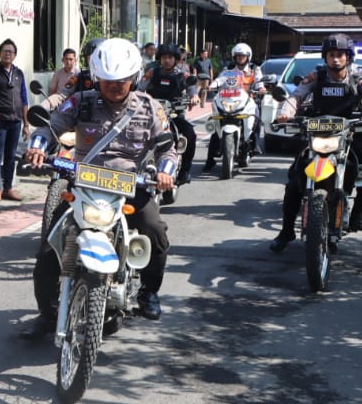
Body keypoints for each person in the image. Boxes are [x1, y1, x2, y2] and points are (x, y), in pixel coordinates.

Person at [20, 39, 176, 339]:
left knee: (155, 230)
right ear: (96, 77)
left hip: (131, 187)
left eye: (122, 80)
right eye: (108, 80)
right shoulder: (80, 102)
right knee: (49, 249)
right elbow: (51, 126)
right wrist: (38, 147)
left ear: (134, 78)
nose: (115, 86)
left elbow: (167, 148)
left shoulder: (150, 107)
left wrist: (166, 173)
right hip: (84, 185)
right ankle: (47, 312)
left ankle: (149, 292)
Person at [268, 33, 362, 251]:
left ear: (348, 57)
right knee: (294, 181)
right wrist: (285, 113)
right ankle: (286, 231)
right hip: (317, 134)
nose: (336, 59)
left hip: (348, 134)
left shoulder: (358, 78)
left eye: (340, 54)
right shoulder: (316, 77)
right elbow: (297, 96)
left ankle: (357, 214)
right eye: (331, 55)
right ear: (326, 57)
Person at [139, 43, 196, 185]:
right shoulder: (152, 72)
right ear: (159, 58)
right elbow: (140, 88)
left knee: (190, 134)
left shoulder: (182, 75)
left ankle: (184, 172)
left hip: (174, 114)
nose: (167, 60)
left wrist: (194, 96)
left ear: (175, 59)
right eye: (164, 57)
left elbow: (191, 88)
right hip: (152, 114)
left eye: (170, 57)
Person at [204, 42, 264, 169]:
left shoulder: (254, 69)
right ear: (234, 57)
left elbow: (259, 82)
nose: (240, 58)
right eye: (238, 56)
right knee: (217, 126)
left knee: (257, 119)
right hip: (229, 100)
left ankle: (256, 145)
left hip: (248, 100)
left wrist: (261, 88)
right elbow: (219, 80)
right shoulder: (228, 70)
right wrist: (212, 86)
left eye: (243, 56)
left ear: (248, 57)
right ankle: (210, 160)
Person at [0, 38, 29, 201]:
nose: (8, 54)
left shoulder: (19, 73)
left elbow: (24, 99)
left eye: (11, 52)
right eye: (5, 51)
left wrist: (26, 124)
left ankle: (8, 188)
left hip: (16, 121)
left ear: (15, 55)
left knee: (11, 156)